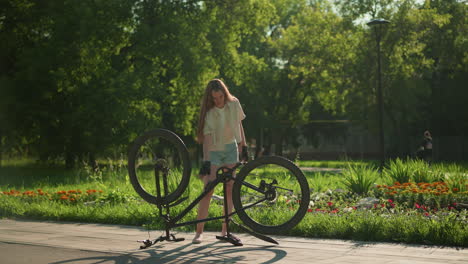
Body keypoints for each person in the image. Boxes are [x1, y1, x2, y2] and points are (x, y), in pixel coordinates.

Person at [193, 79, 247, 245]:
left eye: (220, 97)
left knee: (230, 188)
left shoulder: (234, 103)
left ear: (225, 93)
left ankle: (225, 231)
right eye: (214, 98)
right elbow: (207, 138)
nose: (218, 101)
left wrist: (243, 146)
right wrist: (207, 161)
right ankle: (199, 233)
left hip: (231, 149)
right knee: (208, 190)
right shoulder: (209, 111)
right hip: (214, 151)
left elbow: (239, 125)